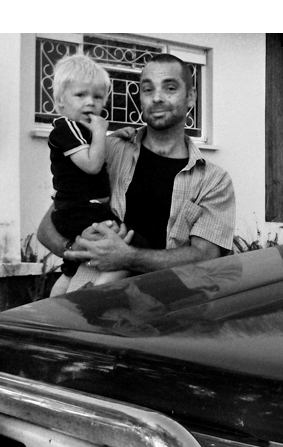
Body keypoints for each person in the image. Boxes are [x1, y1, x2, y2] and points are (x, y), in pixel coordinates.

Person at [37, 53, 236, 292]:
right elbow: (49, 226)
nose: (157, 98)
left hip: (175, 309)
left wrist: (128, 257)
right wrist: (75, 248)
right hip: (92, 305)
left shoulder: (214, 180)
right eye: (148, 90)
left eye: (170, 88)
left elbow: (206, 257)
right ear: (140, 99)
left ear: (191, 97)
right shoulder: (106, 152)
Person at [45, 54, 148, 296]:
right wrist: (102, 132)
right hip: (81, 211)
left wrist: (112, 136)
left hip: (77, 210)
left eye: (98, 97)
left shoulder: (78, 131)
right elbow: (92, 164)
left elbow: (90, 149)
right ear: (60, 102)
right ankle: (99, 290)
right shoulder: (65, 129)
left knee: (72, 267)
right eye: (80, 95)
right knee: (132, 245)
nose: (90, 103)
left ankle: (56, 297)